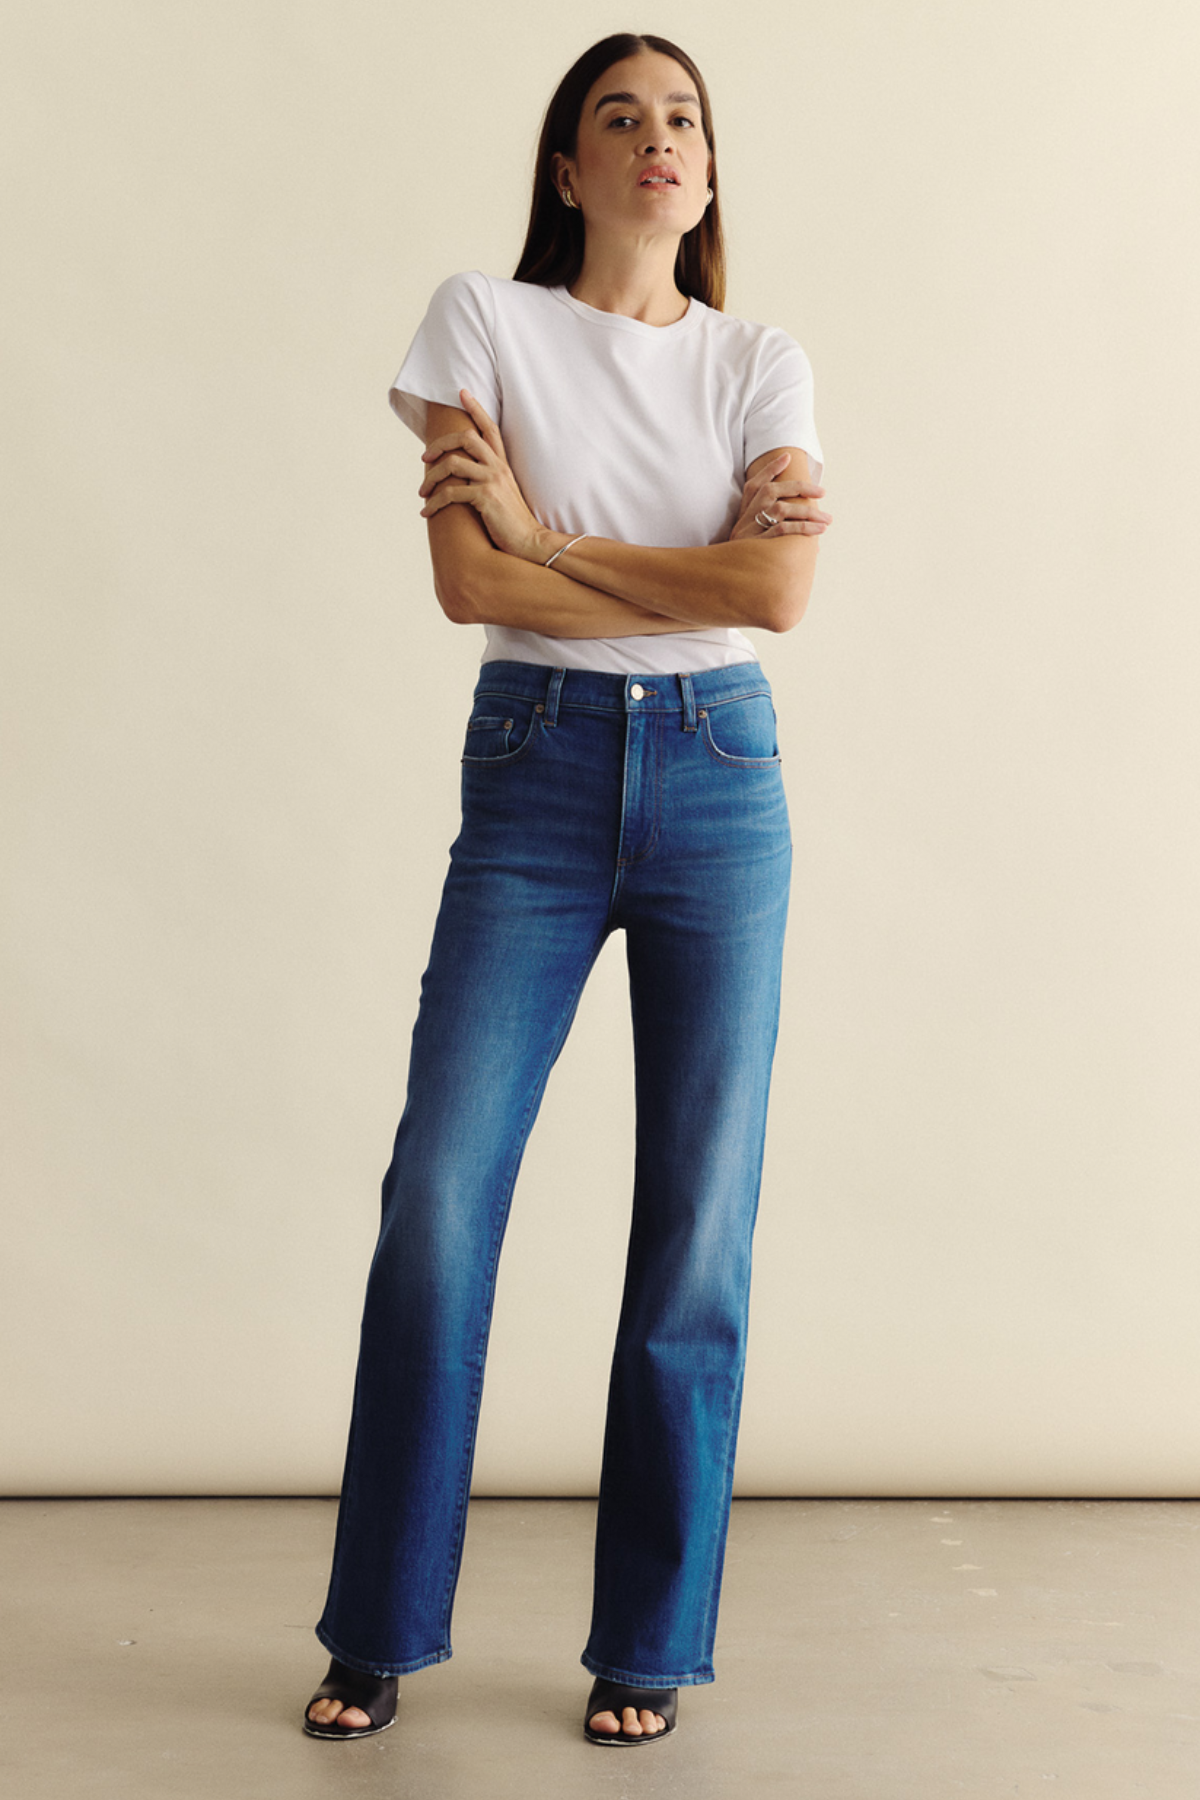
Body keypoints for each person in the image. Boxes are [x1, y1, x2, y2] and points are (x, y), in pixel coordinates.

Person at [303, 31, 831, 1748]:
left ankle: (648, 1651)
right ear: (569, 166)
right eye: (623, 118)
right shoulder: (484, 321)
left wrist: (552, 538)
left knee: (697, 1230)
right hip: (531, 768)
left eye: (683, 117)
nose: (659, 140)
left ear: (707, 165)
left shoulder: (764, 360)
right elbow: (467, 582)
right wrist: (555, 557)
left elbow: (771, 599)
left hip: (724, 784)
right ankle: (378, 1628)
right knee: (439, 1201)